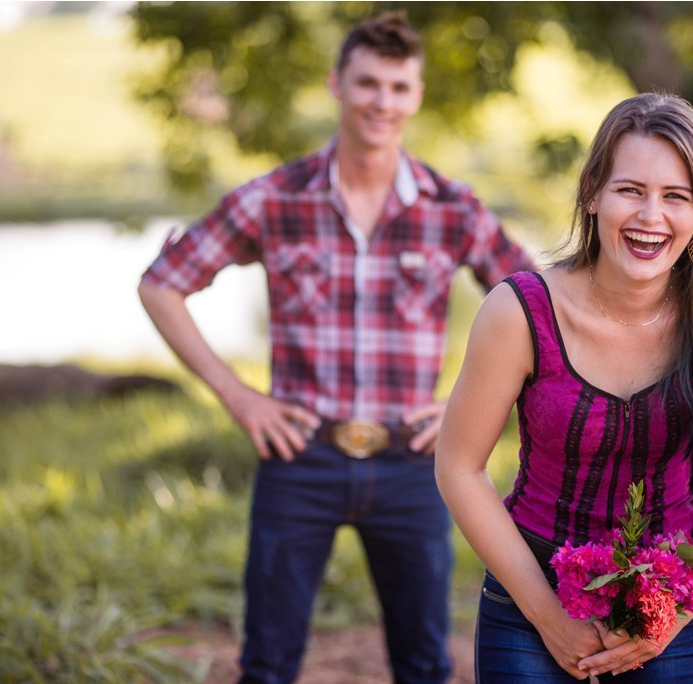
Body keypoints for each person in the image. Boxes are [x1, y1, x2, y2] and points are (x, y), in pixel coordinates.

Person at [138, 12, 534, 684]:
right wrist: (236, 395)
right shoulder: (274, 198)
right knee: (266, 664)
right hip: (300, 458)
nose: (382, 101)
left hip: (416, 464)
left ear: (417, 96)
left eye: (399, 87)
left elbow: (539, 311)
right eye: (368, 83)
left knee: (425, 665)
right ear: (337, 85)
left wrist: (474, 410)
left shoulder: (453, 208)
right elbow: (161, 286)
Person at [435, 92, 693, 682]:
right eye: (630, 190)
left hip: (670, 601)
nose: (651, 216)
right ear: (593, 194)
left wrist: (677, 610)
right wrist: (547, 616)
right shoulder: (520, 311)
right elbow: (459, 467)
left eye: (676, 197)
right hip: (529, 598)